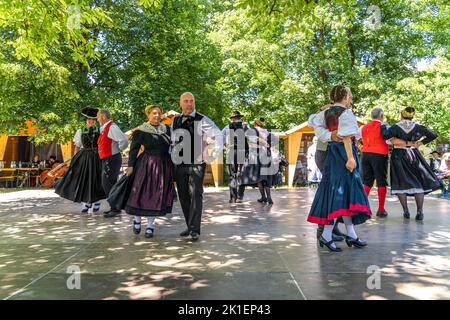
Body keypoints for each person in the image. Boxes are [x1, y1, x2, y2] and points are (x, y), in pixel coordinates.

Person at [307, 85, 371, 252]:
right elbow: (347, 137)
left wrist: (329, 135)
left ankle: (350, 234)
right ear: (345, 97)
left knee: (343, 193)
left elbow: (314, 124)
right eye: (349, 95)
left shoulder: (325, 113)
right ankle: (328, 235)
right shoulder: (346, 113)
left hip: (332, 152)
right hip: (343, 153)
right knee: (341, 193)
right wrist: (350, 158)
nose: (350, 98)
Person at [171, 92, 222, 241]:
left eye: (191, 101)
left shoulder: (203, 119)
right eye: (186, 101)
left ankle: (195, 229)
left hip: (197, 163)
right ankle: (189, 225)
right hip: (179, 164)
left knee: (195, 195)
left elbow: (218, 136)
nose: (189, 104)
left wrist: (211, 156)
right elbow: (172, 142)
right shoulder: (175, 120)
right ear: (180, 103)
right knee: (183, 196)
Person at [122, 105, 175, 238]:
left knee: (157, 194)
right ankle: (137, 220)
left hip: (163, 165)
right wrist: (130, 166)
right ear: (148, 115)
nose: (157, 116)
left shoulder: (167, 130)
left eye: (159, 113)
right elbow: (134, 149)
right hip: (146, 164)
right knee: (139, 193)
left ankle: (150, 226)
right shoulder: (141, 131)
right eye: (154, 113)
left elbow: (174, 146)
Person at [381, 107, 441, 221]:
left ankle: (406, 211)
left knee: (400, 182)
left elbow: (385, 135)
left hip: (398, 155)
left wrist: (384, 125)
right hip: (413, 154)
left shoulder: (396, 127)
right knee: (418, 183)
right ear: (412, 116)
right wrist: (420, 142)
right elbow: (433, 134)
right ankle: (419, 212)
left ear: (401, 115)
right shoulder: (417, 127)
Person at [55, 107, 106, 213]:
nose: (91, 121)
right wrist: (74, 158)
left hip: (97, 157)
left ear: (96, 121)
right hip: (84, 157)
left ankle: (97, 201)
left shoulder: (100, 130)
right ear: (86, 120)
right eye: (88, 120)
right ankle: (86, 202)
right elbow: (77, 146)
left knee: (97, 179)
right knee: (85, 179)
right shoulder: (80, 131)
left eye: (93, 120)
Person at [308, 103, 346, 242]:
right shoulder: (327, 112)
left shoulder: (341, 112)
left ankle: (332, 227)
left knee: (336, 192)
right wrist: (321, 110)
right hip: (326, 152)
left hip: (330, 152)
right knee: (329, 191)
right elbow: (311, 122)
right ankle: (322, 230)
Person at [97, 109, 129, 218]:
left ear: (104, 116)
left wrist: (116, 150)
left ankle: (115, 208)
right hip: (108, 159)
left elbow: (124, 140)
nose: (97, 119)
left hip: (111, 158)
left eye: (98, 117)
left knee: (107, 183)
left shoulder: (112, 127)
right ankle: (114, 207)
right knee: (108, 183)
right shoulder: (106, 128)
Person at [360, 107, 390, 218]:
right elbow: (389, 140)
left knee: (367, 181)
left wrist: (362, 147)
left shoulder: (364, 127)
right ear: (381, 116)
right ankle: (381, 210)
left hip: (366, 154)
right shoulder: (384, 127)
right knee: (381, 181)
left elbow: (355, 137)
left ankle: (362, 208)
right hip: (380, 154)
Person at [240, 118, 278, 205]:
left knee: (259, 177)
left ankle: (263, 197)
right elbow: (273, 142)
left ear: (255, 124)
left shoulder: (253, 130)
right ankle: (269, 197)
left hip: (257, 155)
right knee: (266, 176)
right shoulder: (267, 132)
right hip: (267, 155)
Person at [222, 111, 249, 203]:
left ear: (232, 118)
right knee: (242, 174)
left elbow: (221, 139)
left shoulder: (227, 127)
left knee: (232, 175)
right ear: (240, 118)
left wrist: (226, 147)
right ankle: (240, 197)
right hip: (242, 151)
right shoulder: (245, 126)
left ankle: (233, 197)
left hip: (231, 152)